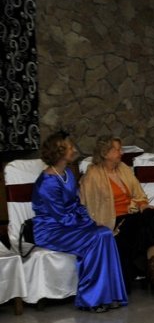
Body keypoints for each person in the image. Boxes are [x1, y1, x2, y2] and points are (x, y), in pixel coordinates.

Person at [31, 131, 128, 313]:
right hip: (51, 230)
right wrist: (87, 226)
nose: (74, 149)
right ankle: (90, 299)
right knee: (95, 237)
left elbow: (77, 204)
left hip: (68, 226)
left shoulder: (67, 173)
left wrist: (91, 221)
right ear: (59, 152)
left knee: (105, 233)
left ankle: (110, 295)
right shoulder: (47, 182)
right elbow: (61, 217)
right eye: (70, 147)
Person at [80, 135, 154, 296]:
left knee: (153, 216)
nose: (121, 153)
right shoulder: (93, 174)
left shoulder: (123, 168)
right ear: (105, 153)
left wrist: (141, 204)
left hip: (131, 215)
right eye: (117, 150)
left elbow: (138, 194)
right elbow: (88, 204)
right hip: (113, 221)